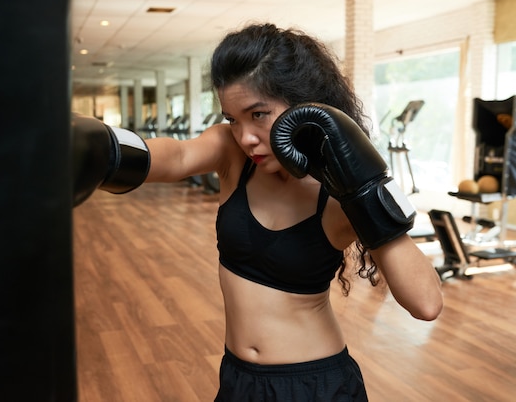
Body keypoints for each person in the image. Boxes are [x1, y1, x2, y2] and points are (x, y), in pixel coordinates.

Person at [72, 22, 444, 402]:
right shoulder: (232, 154)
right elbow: (176, 155)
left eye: (259, 114)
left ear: (304, 106)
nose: (245, 136)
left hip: (314, 385)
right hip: (238, 380)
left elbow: (426, 304)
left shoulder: (337, 194)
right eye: (233, 119)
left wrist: (363, 187)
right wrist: (102, 150)